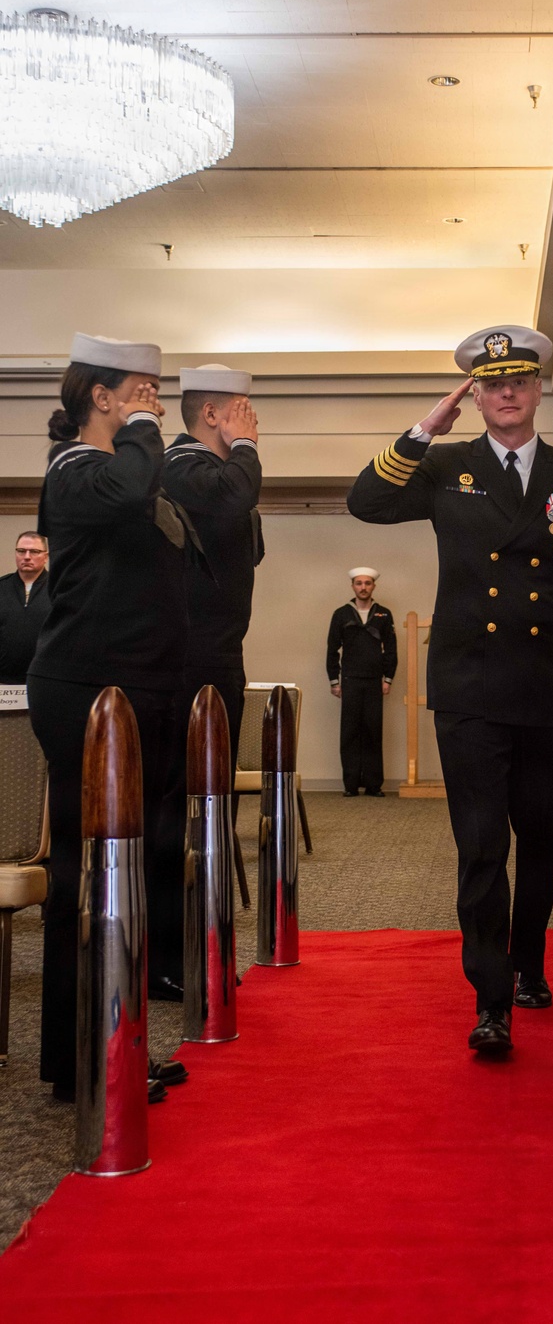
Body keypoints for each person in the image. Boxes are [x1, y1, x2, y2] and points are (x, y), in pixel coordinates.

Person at [347, 325, 553, 1056]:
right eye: (492, 384)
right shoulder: (446, 466)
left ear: (537, 391)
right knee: (480, 845)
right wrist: (422, 431)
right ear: (474, 397)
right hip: (470, 685)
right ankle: (491, 999)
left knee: (541, 836)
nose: (507, 393)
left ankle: (529, 962)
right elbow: (365, 502)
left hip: (548, 684)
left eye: (519, 382)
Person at [27, 333, 191, 1103]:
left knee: (125, 873)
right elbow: (129, 492)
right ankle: (77, 1056)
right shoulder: (74, 471)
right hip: (85, 690)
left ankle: (114, 1041)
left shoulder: (120, 472)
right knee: (84, 876)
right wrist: (146, 428)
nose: (155, 404)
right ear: (101, 396)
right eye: (141, 391)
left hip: (137, 688)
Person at [155, 364, 265, 998]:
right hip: (187, 661)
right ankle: (168, 957)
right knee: (182, 809)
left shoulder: (221, 476)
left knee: (213, 804)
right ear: (212, 415)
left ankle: (200, 946)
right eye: (241, 411)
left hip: (221, 656)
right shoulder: (181, 467)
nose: (253, 423)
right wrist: (245, 446)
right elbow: (233, 499)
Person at [327, 568, 397, 797]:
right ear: (353, 586)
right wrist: (334, 681)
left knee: (373, 732)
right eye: (359, 583)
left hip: (374, 681)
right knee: (350, 733)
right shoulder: (341, 614)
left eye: (367, 583)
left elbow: (391, 649)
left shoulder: (384, 614)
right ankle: (350, 785)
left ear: (373, 586)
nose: (363, 587)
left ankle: (374, 785)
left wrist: (388, 678)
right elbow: (332, 649)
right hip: (350, 681)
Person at [0, 531, 50, 682]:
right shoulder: (2, 587)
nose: (27, 556)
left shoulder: (59, 589)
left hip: (45, 679)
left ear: (46, 557)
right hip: (4, 680)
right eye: (21, 551)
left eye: (34, 551)